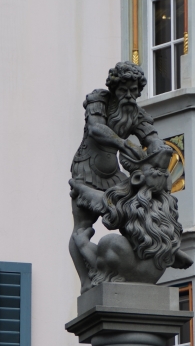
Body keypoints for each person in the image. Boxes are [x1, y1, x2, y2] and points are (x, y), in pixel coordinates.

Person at [70, 61, 166, 292]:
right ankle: (86, 280)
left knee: (133, 216)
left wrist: (159, 151)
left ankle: (126, 268)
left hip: (114, 175)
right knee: (82, 227)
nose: (129, 96)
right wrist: (124, 144)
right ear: (114, 88)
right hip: (86, 169)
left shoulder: (136, 114)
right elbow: (96, 128)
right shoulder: (99, 101)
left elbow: (152, 138)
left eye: (134, 91)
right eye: (124, 90)